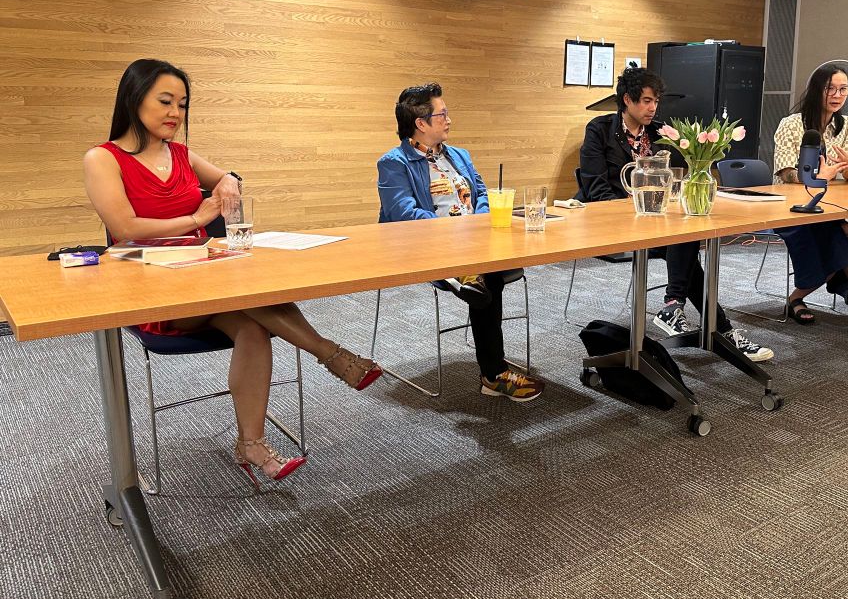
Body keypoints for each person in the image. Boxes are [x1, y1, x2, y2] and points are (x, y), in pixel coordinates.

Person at [83, 59, 384, 485]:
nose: (175, 113)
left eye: (182, 105)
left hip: (203, 279)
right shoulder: (103, 158)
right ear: (134, 99)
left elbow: (228, 179)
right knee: (249, 297)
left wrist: (229, 179)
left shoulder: (181, 154)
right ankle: (329, 354)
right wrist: (195, 218)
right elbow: (125, 228)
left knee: (252, 325)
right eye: (165, 101)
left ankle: (251, 443)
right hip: (147, 287)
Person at [578, 66, 774, 362]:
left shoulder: (660, 132)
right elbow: (596, 189)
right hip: (612, 222)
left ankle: (679, 308)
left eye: (655, 101)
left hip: (657, 222)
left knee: (685, 231)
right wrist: (638, 209)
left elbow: (678, 179)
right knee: (684, 242)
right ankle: (714, 325)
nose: (652, 107)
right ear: (627, 101)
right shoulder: (600, 129)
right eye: (645, 100)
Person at [376, 82, 545, 402]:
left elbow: (481, 193)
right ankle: (494, 374)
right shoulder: (393, 163)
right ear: (421, 124)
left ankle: (468, 277)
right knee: (491, 276)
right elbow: (403, 214)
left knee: (488, 271)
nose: (449, 119)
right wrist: (454, 232)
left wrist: (477, 223)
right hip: (427, 245)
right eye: (442, 114)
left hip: (475, 241)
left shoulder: (459, 155)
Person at [772, 65, 848, 339]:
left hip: (825, 206)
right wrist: (816, 176)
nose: (838, 95)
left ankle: (797, 298)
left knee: (840, 231)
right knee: (842, 232)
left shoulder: (846, 125)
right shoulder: (791, 124)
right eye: (831, 88)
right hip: (791, 209)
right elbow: (786, 174)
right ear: (818, 89)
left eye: (843, 89)